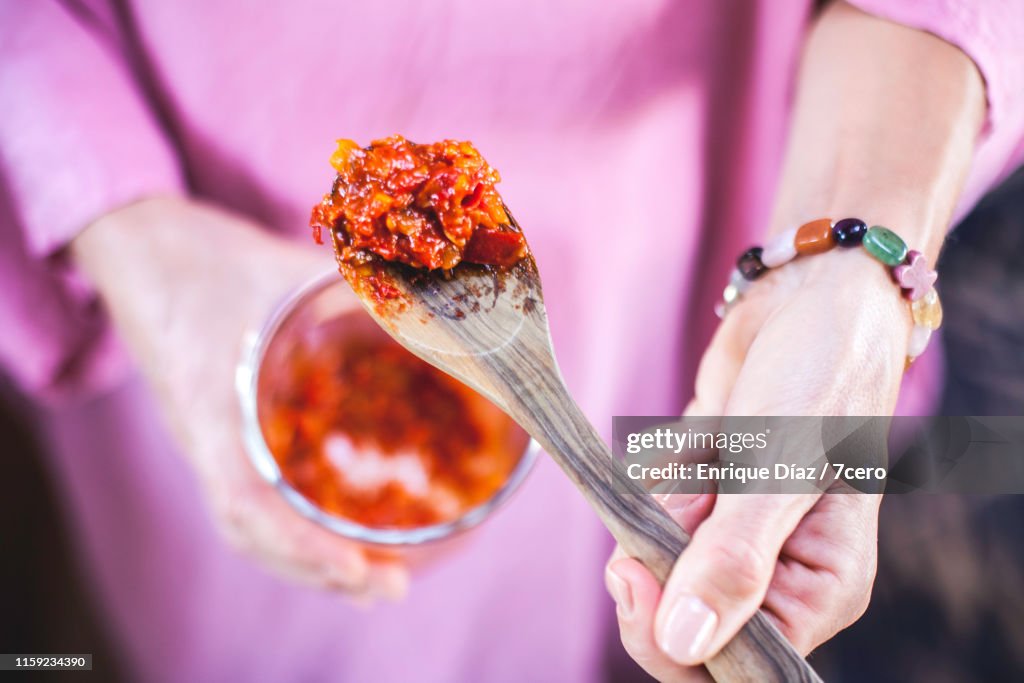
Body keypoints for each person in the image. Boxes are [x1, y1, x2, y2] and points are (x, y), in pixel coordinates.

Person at [1, 1, 1022, 681]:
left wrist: (848, 259)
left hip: (718, 210)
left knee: (674, 522)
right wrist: (125, 227)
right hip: (198, 241)